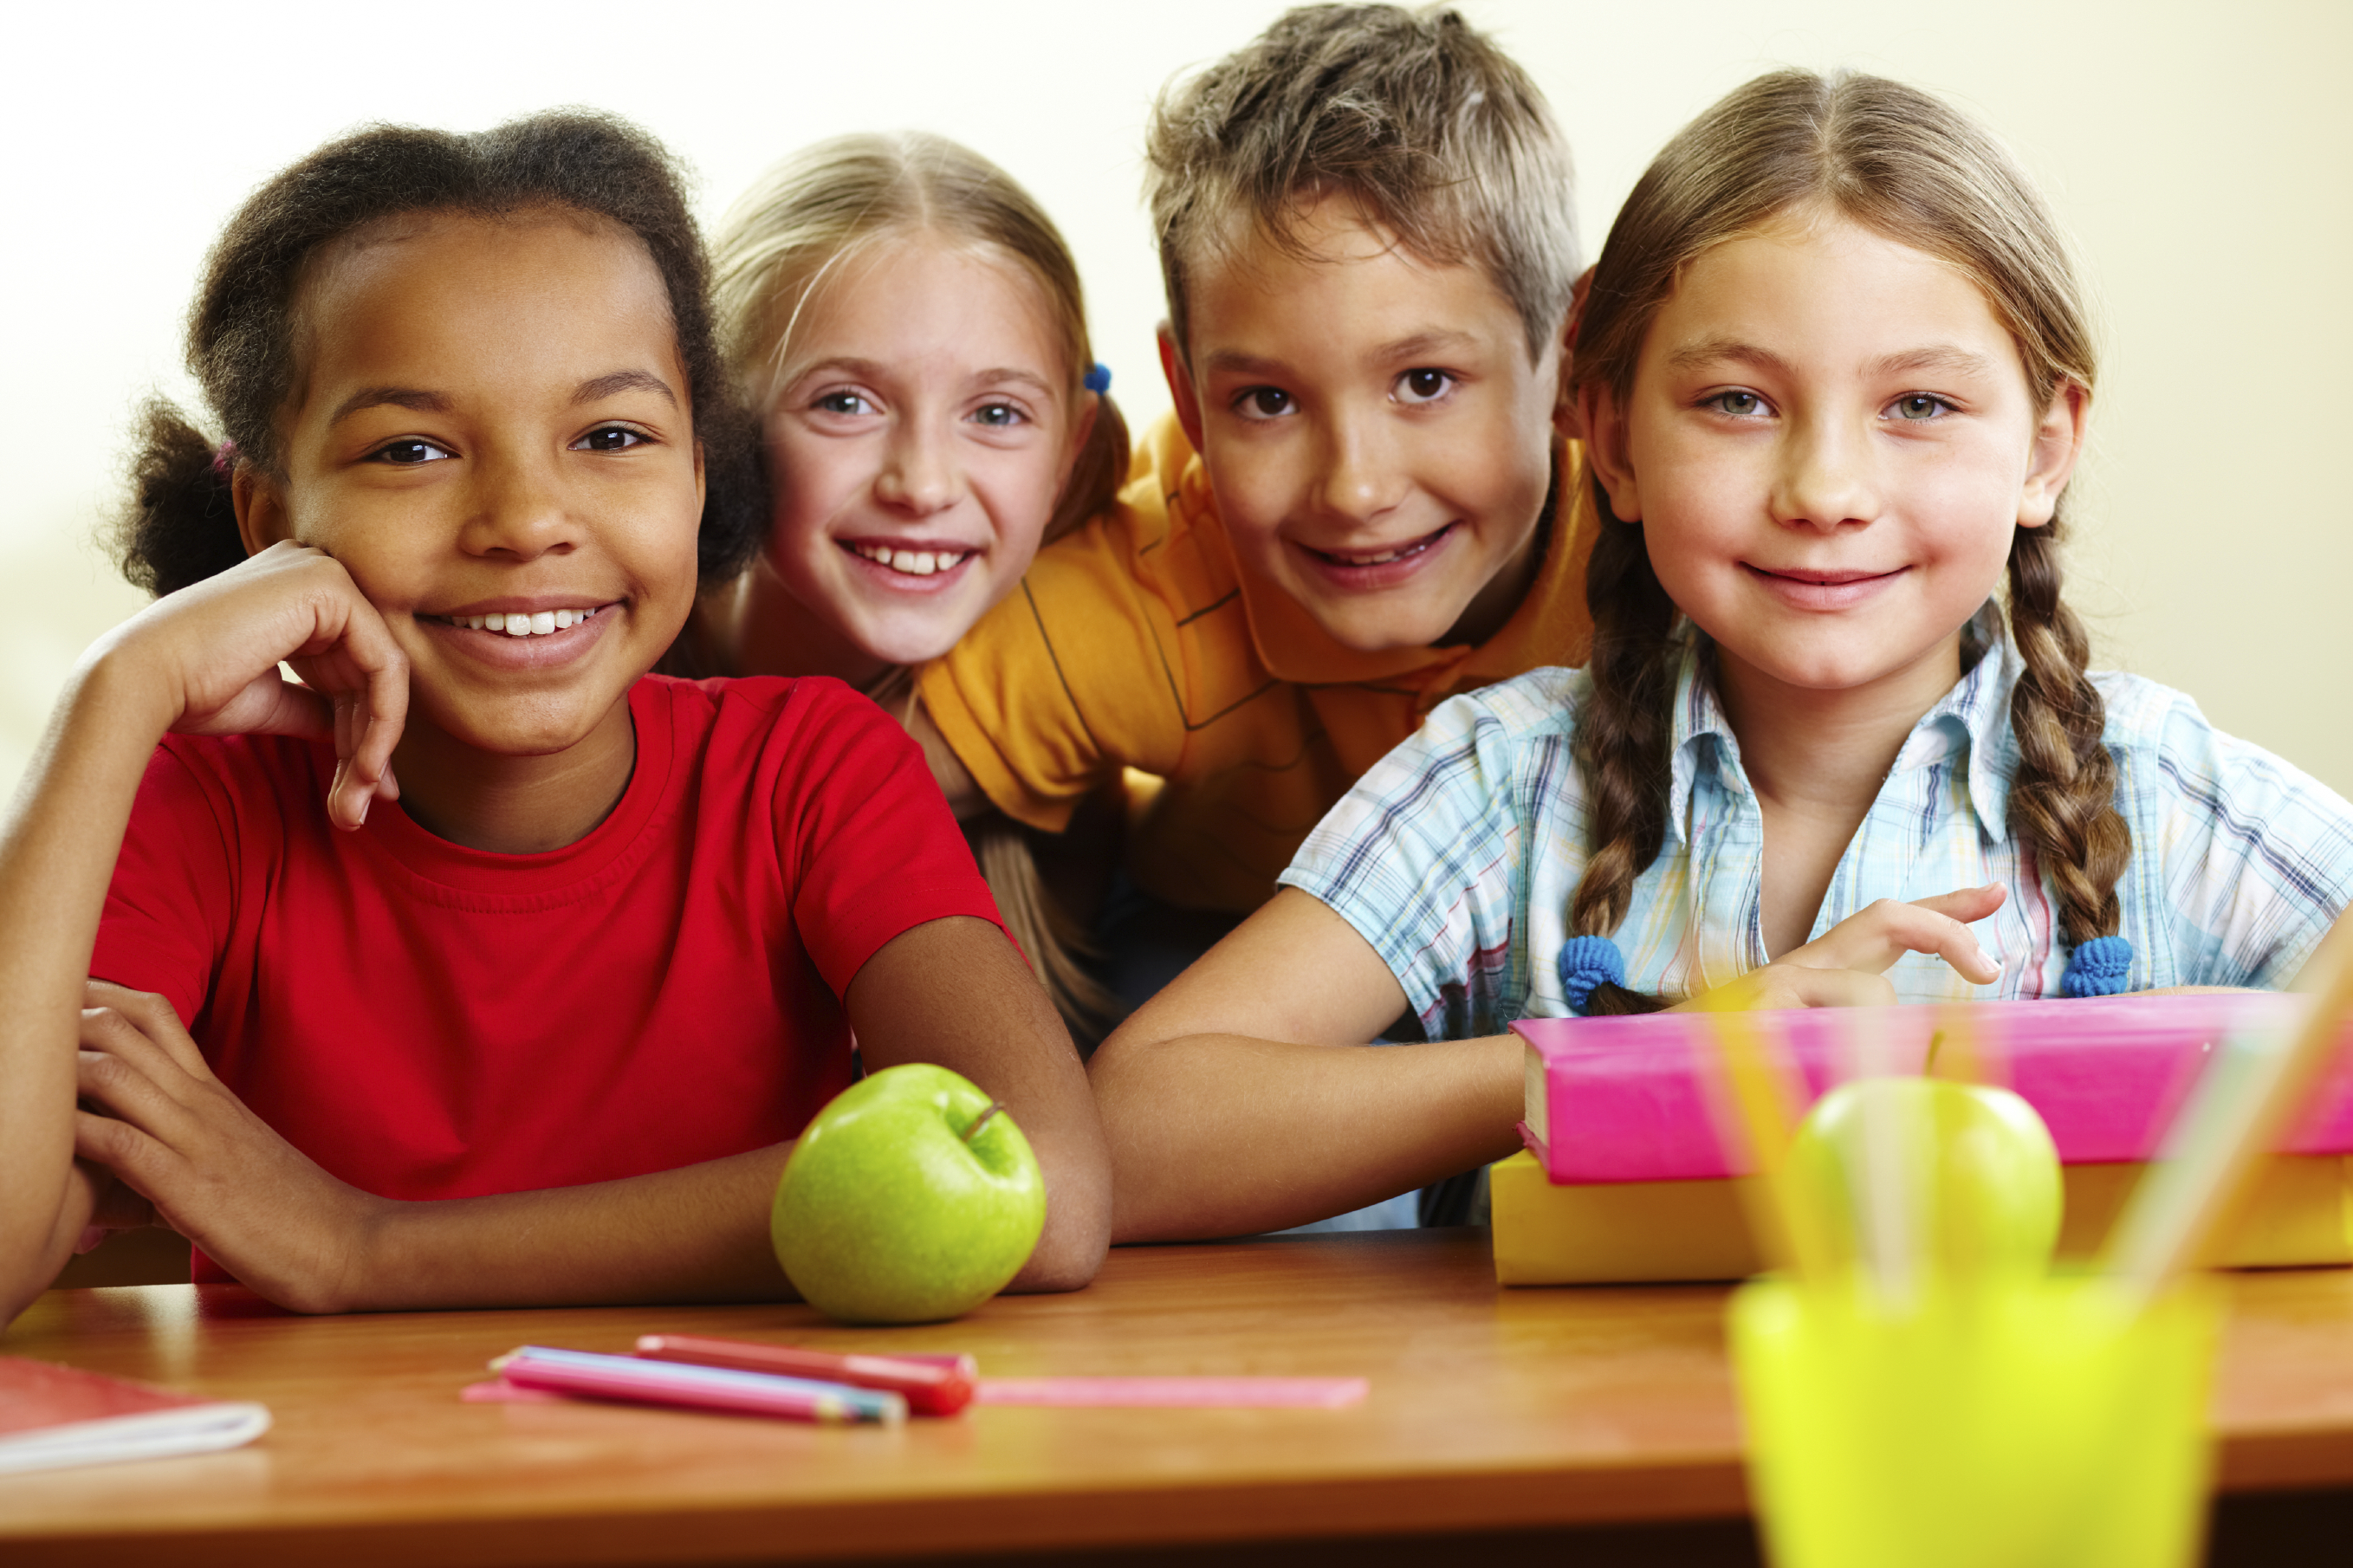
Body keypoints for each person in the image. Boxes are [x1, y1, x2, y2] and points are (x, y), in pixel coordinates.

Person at [1087, 68, 2353, 1243]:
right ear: (1612, 439)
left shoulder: (2164, 797)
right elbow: (1130, 1136)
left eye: (1920, 404)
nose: (1826, 489)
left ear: (2043, 446)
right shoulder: (1503, 786)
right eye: (1738, 401)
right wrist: (1668, 1056)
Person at [0, 112, 1110, 1328]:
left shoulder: (810, 769)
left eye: (613, 436)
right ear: (267, 522)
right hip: (326, 1495)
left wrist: (371, 1249)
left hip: (750, 1477)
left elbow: (1044, 1188)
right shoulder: (198, 805)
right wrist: (116, 693)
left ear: (700, 472)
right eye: (413, 448)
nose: (527, 519)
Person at [909, 4, 1596, 1014]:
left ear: (1568, 355)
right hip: (1228, 947)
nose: (1355, 489)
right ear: (1187, 396)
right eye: (1267, 400)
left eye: (1424, 381)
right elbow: (825, 805)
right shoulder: (1148, 599)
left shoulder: (1665, 545)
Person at [666, 133, 1131, 1030]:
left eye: (996, 414)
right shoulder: (586, 670)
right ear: (720, 420)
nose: (921, 484)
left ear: (1069, 451)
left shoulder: (1069, 740)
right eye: (845, 402)